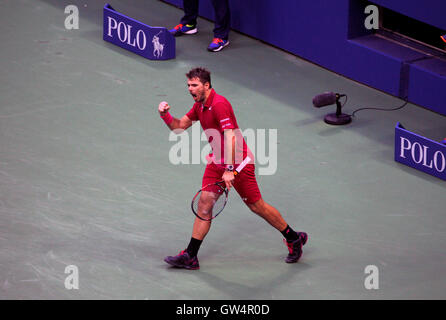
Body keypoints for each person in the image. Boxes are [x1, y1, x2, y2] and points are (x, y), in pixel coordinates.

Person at [159, 67, 308, 270]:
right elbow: (179, 127)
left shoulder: (220, 104)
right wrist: (165, 115)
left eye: (194, 85)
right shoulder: (199, 106)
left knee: (256, 206)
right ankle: (190, 256)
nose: (190, 89)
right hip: (217, 161)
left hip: (238, 162)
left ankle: (293, 238)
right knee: (204, 204)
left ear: (206, 85)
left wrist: (229, 169)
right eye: (188, 85)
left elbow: (229, 136)